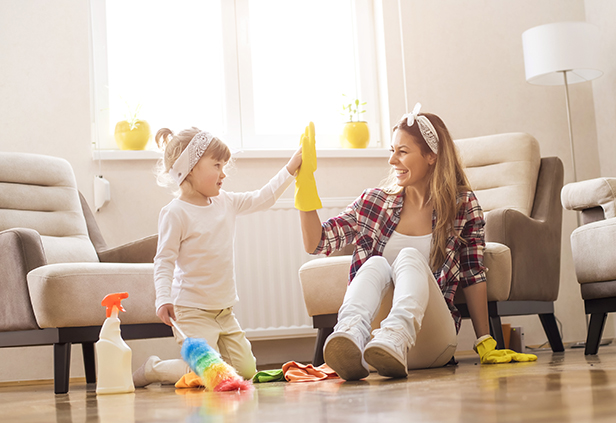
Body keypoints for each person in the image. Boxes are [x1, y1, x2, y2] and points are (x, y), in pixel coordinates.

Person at [297, 104, 537, 381]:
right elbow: (317, 243)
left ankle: (397, 335)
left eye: (403, 152)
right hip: (373, 347)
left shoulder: (462, 206)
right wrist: (305, 189)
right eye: (392, 151)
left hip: (431, 341)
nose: (392, 161)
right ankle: (349, 333)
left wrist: (485, 340)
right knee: (374, 264)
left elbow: (473, 274)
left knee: (409, 257)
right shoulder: (374, 203)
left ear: (431, 156)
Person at [133, 126, 302, 387]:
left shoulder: (226, 202)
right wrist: (163, 298)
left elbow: (263, 198)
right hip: (191, 311)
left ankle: (207, 364)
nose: (223, 173)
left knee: (246, 371)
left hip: (224, 311)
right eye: (217, 165)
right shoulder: (175, 213)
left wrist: (291, 168)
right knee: (205, 373)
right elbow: (164, 260)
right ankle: (153, 369)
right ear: (190, 169)